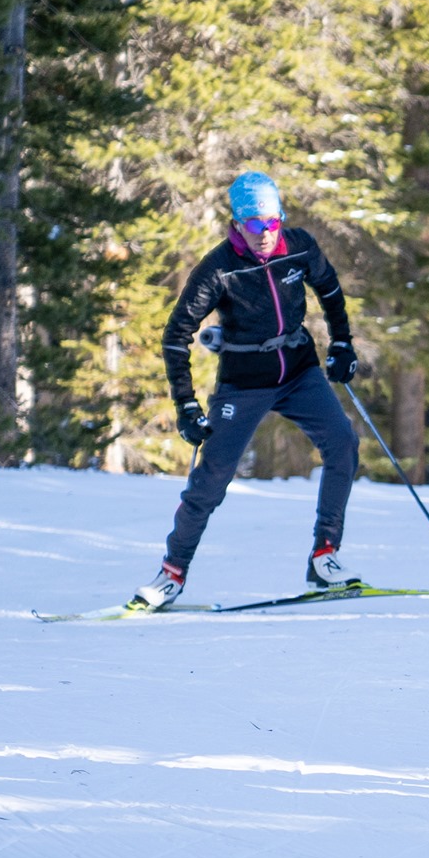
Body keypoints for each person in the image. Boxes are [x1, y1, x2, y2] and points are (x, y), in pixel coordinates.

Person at [132, 171, 363, 609]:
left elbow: (330, 290)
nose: (265, 234)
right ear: (237, 224)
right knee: (212, 477)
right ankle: (172, 573)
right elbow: (176, 334)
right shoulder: (219, 268)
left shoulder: (299, 247)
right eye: (254, 224)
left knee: (343, 443)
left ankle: (324, 556)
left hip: (299, 370)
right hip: (243, 383)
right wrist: (185, 403)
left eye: (272, 222)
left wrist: (343, 342)